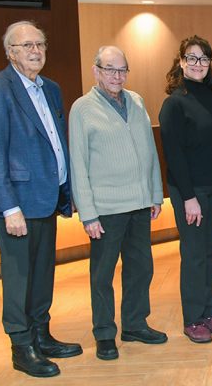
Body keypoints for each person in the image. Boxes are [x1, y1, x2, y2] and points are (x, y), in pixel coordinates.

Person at [0, 21, 82, 377]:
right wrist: (9, 207)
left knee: (42, 275)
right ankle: (21, 347)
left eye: (40, 44)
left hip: (47, 199)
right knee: (19, 279)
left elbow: (56, 141)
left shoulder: (51, 88)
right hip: (18, 205)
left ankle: (41, 335)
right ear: (10, 53)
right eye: (26, 45)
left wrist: (66, 190)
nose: (36, 51)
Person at [69, 46, 167, 361]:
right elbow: (78, 164)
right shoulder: (82, 109)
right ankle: (104, 334)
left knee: (141, 268)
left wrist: (155, 193)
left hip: (139, 204)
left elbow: (150, 151)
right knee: (102, 275)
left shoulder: (136, 101)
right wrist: (88, 214)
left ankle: (135, 324)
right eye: (110, 69)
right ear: (96, 71)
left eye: (122, 69)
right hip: (105, 210)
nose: (117, 76)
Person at [159, 36, 212, 344]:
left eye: (203, 58)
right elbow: (173, 155)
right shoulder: (174, 103)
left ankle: (208, 312)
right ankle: (192, 318)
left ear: (210, 62)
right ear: (181, 62)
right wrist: (189, 198)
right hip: (190, 192)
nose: (198, 64)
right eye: (191, 57)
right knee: (194, 255)